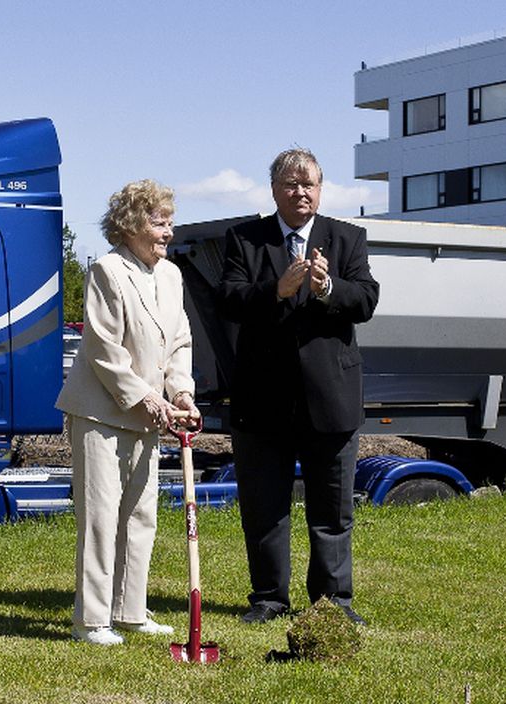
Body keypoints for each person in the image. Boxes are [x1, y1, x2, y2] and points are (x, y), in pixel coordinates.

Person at [217, 148, 379, 626]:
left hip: (330, 400)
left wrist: (328, 290)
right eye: (291, 184)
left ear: (321, 189)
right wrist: (277, 290)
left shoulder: (346, 239)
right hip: (263, 402)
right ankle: (268, 598)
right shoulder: (245, 240)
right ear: (274, 190)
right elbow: (227, 298)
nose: (300, 192)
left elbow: (366, 299)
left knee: (331, 511)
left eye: (309, 184)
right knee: (265, 508)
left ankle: (334, 604)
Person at [56, 179, 199, 646]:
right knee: (100, 517)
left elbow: (179, 343)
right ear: (133, 224)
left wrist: (180, 393)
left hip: (150, 415)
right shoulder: (107, 270)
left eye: (169, 223)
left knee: (141, 516)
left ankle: (131, 611)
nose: (168, 233)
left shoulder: (172, 276)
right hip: (101, 413)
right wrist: (145, 396)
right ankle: (91, 620)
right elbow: (102, 348)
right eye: (160, 223)